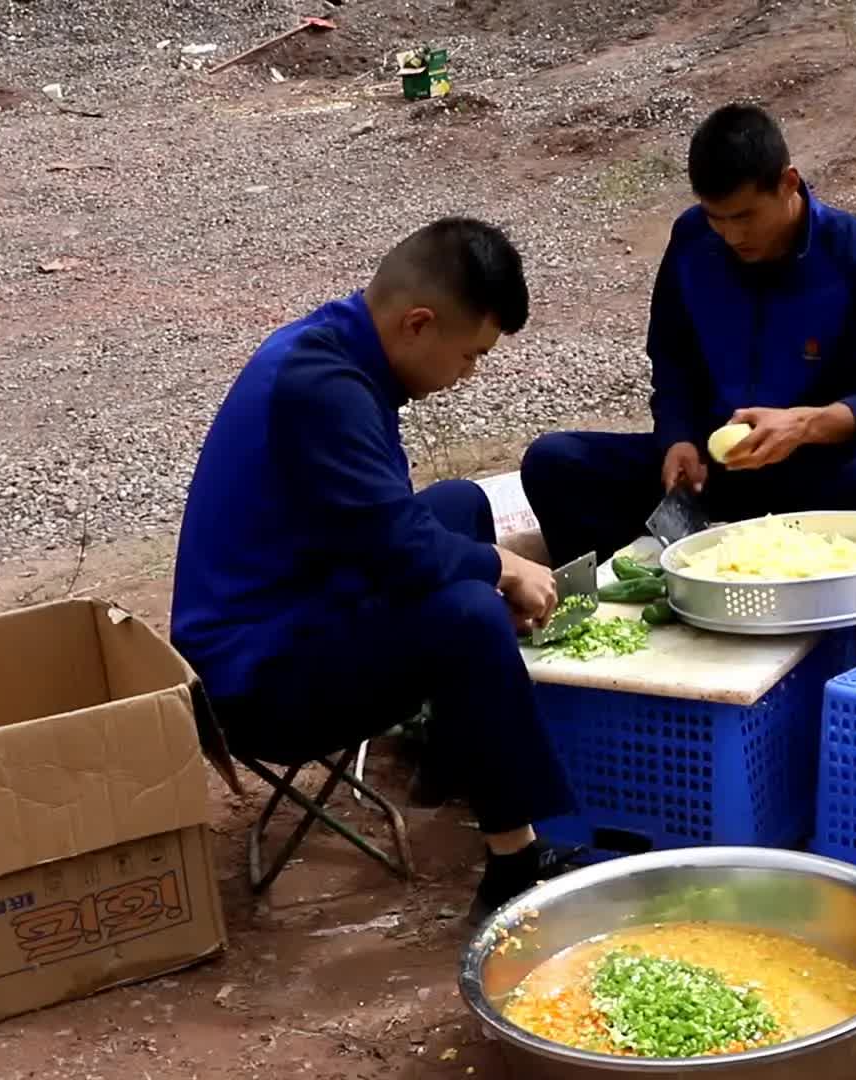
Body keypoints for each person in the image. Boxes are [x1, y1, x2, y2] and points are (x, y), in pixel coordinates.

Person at [170, 218, 579, 922]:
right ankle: (515, 864)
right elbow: (399, 548)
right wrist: (501, 569)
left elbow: (387, 533)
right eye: (469, 356)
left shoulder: (335, 348)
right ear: (418, 323)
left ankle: (456, 760)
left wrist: (481, 562)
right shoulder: (323, 391)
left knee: (458, 507)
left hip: (302, 606)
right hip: (256, 683)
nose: (467, 377)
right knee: (471, 616)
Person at [521, 103, 856, 565]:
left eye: (746, 216)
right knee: (555, 462)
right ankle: (636, 600)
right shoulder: (693, 241)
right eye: (717, 217)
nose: (731, 235)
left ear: (788, 183)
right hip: (708, 471)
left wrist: (802, 425)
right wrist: (678, 439)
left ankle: (833, 629)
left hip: (806, 468)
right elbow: (672, 361)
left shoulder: (852, 253)